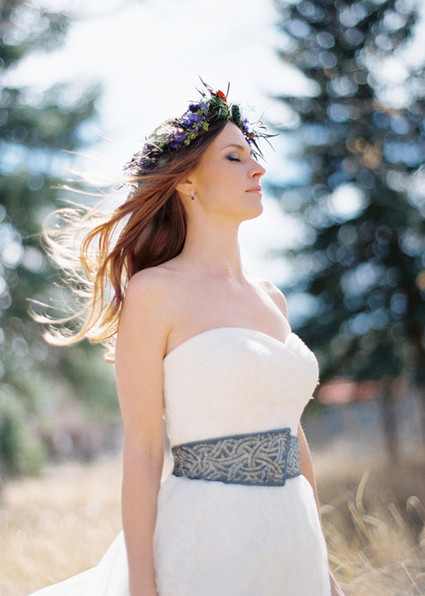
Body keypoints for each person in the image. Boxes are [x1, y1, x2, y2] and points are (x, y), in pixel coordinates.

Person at [31, 80, 344, 596]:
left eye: (253, 156)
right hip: (209, 549)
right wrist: (143, 586)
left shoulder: (273, 298)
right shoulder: (155, 293)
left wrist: (323, 569)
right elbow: (143, 451)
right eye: (234, 157)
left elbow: (292, 435)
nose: (258, 169)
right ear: (186, 181)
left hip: (294, 548)